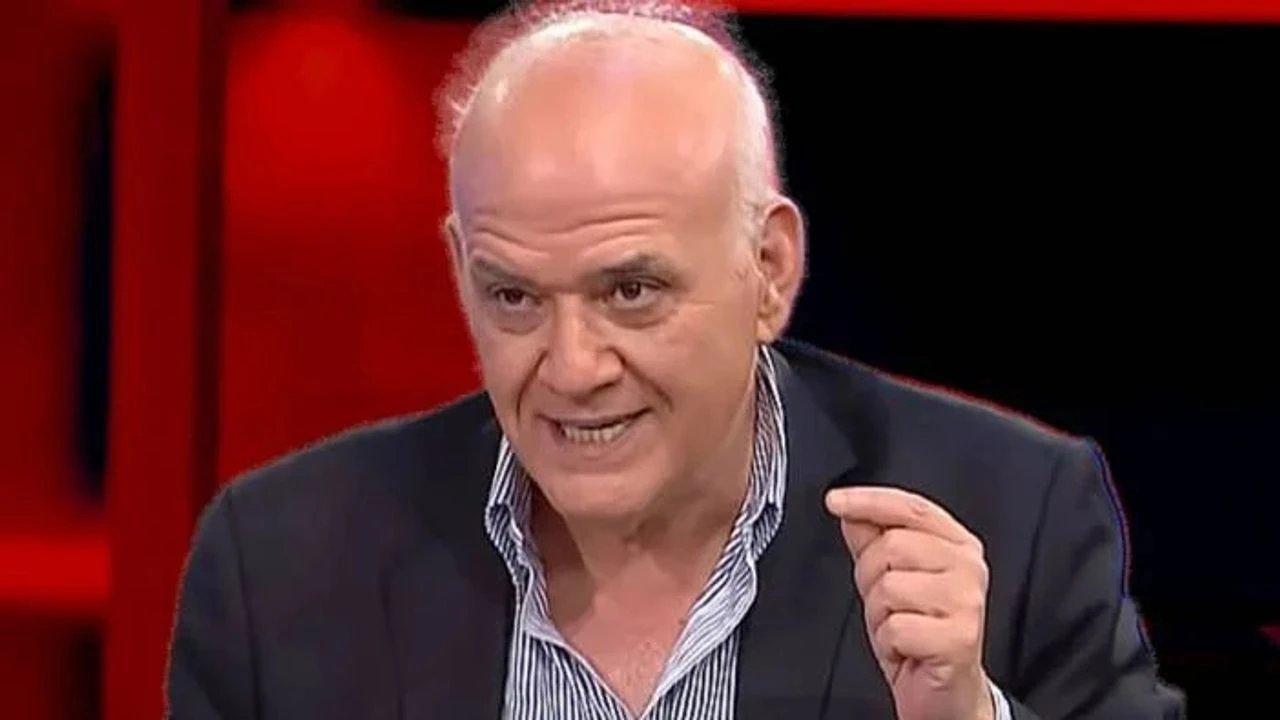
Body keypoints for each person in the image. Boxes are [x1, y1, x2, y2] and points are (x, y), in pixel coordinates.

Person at [166, 1, 1185, 718]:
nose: (572, 368)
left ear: (769, 271)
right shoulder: (280, 567)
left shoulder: (1013, 517)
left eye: (630, 292)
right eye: (513, 297)